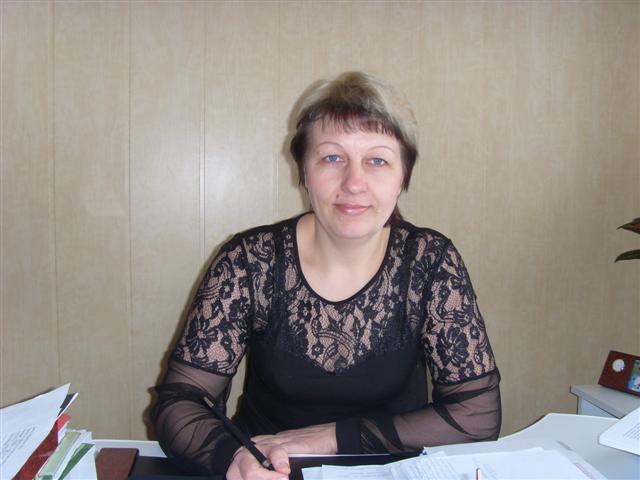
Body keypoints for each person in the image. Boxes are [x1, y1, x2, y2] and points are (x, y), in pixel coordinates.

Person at [153, 71, 501, 480]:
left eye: (377, 160)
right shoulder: (250, 260)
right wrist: (233, 458)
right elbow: (180, 401)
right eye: (332, 158)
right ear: (303, 171)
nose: (354, 183)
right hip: (269, 469)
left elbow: (477, 415)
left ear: (403, 176)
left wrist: (332, 437)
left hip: (390, 472)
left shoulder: (431, 262)